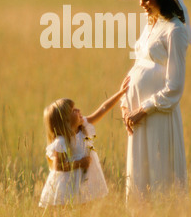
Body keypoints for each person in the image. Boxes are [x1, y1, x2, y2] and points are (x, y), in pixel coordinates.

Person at [115, 0, 191, 201]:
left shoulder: (175, 31)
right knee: (139, 172)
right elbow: (141, 63)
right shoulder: (151, 24)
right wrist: (125, 103)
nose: (141, 3)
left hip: (157, 114)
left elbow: (174, 86)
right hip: (137, 115)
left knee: (158, 173)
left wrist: (143, 109)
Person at [39, 76, 130, 208]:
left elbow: (103, 109)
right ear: (65, 121)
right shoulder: (62, 141)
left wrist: (120, 93)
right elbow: (57, 167)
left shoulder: (84, 126)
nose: (78, 110)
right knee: (70, 207)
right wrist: (79, 163)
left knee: (86, 205)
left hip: (85, 178)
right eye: (73, 111)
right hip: (70, 182)